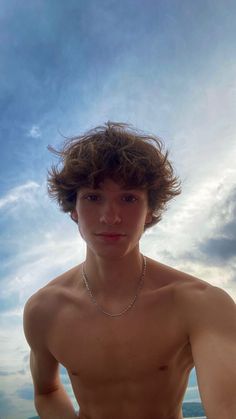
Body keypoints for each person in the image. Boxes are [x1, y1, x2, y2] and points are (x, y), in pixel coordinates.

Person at [23, 122, 236, 419]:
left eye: (129, 198)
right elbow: (46, 392)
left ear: (150, 211)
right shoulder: (43, 310)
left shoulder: (201, 304)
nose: (110, 217)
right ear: (73, 210)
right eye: (93, 197)